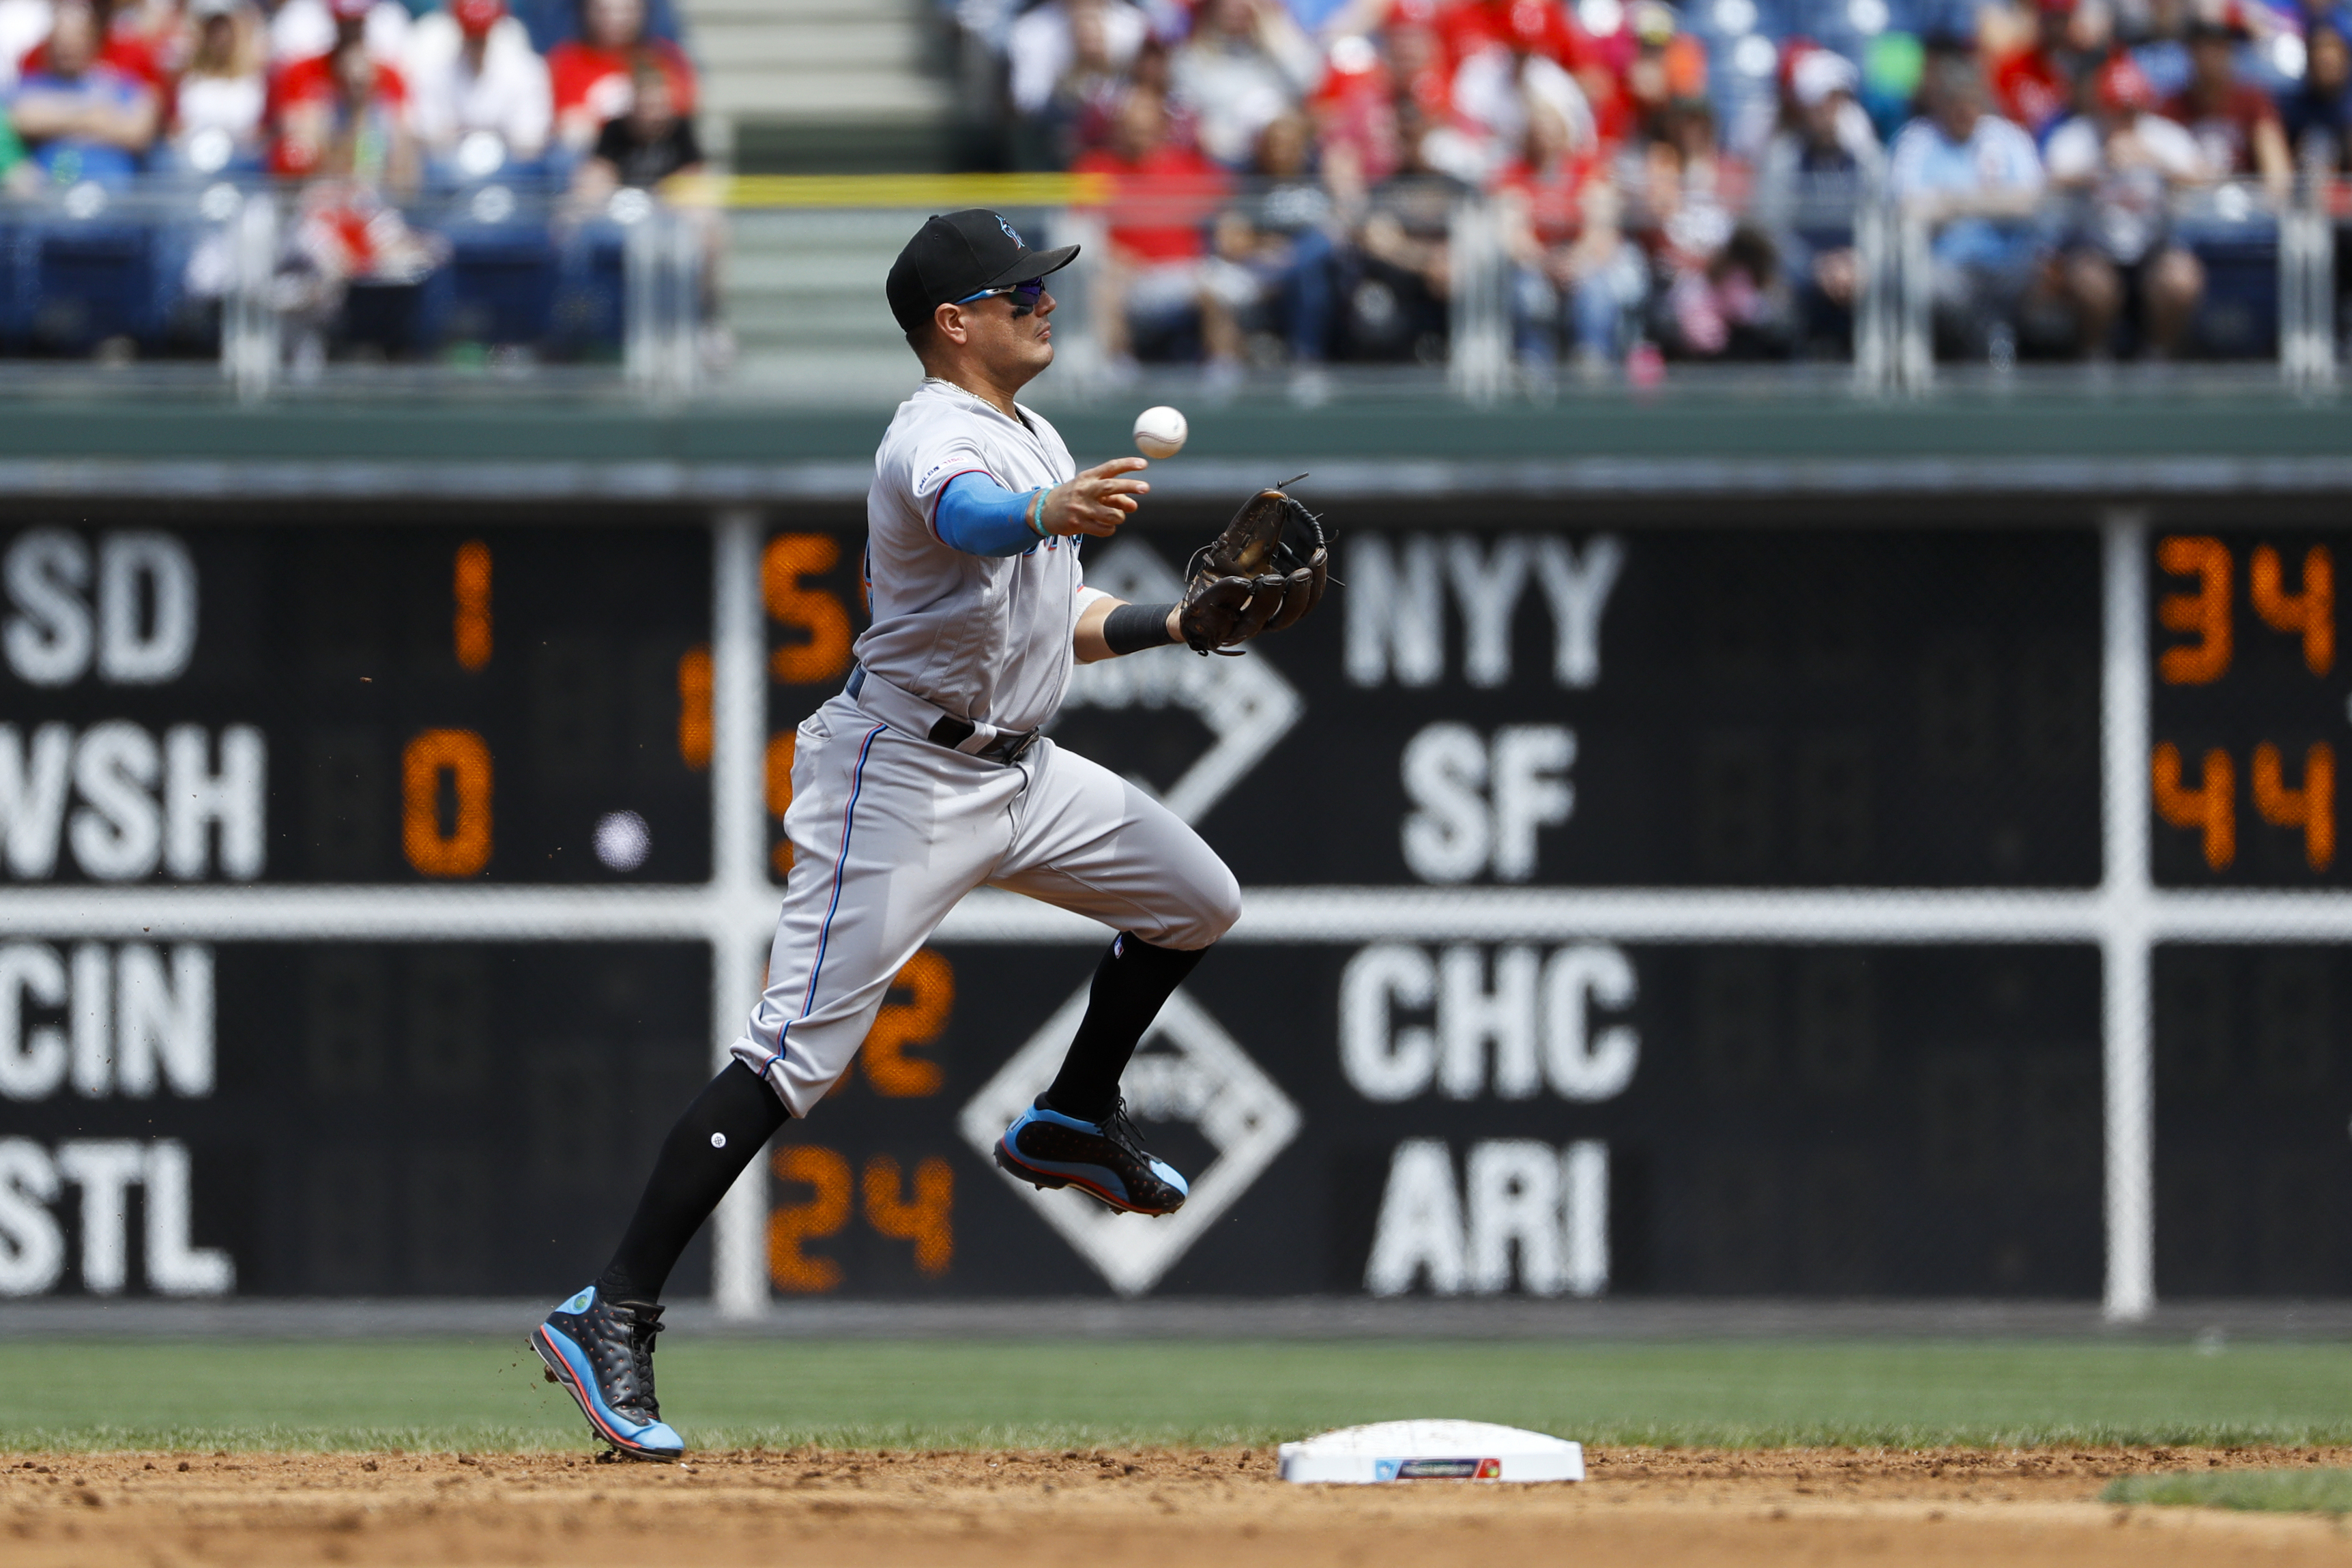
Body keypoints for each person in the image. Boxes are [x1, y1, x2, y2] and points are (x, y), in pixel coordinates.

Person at [530, 207, 1300, 1462]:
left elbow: (1059, 617)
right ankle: (606, 1307)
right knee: (794, 1059)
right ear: (956, 321)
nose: (1047, 305)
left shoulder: (1029, 430)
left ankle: (1072, 1112)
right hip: (897, 774)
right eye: (1022, 292)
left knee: (1195, 898)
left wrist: (1178, 621)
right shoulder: (933, 437)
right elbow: (976, 523)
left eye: (1046, 289)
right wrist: (1048, 505)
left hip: (1020, 767)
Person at [2044, 53, 2209, 357]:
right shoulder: (2078, 136)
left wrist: (2155, 162)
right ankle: (2094, 356)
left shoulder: (2163, 135)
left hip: (2153, 248)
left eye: (2131, 111)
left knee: (2182, 279)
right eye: (2116, 110)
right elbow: (2049, 179)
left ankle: (2158, 357)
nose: (2124, 119)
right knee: (2091, 284)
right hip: (2096, 250)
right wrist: (2096, 168)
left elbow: (2203, 177)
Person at [1071, 85, 1244, 373]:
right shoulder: (1095, 167)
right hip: (1127, 275)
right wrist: (1110, 256)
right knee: (1104, 289)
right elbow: (1077, 228)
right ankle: (1117, 370)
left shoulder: (1188, 166)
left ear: (1161, 128)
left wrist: (1233, 231)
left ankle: (1224, 371)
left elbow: (1232, 207)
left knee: (1218, 287)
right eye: (1130, 127)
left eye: (1145, 127)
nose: (1138, 134)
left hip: (1184, 271)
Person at [1888, 53, 2047, 360]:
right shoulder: (1916, 141)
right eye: (1955, 101)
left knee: (2043, 274)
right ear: (1940, 103)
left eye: (1971, 100)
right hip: (1946, 263)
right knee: (1937, 288)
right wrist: (1989, 202)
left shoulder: (2009, 137)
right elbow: (1907, 207)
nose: (1964, 109)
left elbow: (2030, 201)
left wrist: (1956, 202)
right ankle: (1967, 354)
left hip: (2008, 263)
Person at [8, 0, 158, 186]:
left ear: (93, 41)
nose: (68, 46)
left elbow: (138, 132)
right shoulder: (30, 85)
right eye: (61, 39)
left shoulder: (123, 85)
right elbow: (22, 119)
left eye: (76, 38)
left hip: (114, 197)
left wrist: (55, 119)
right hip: (48, 196)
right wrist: (95, 116)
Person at [404, 0, 553, 178]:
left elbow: (530, 142)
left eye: (482, 36)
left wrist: (463, 135)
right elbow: (429, 136)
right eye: (471, 36)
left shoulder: (526, 70)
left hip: (513, 174)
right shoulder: (436, 72)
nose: (477, 44)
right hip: (450, 178)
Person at [2162, 10, 2289, 199]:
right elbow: (2166, 168)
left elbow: (2275, 165)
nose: (2211, 56)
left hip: (2244, 203)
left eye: (2219, 47)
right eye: (2202, 47)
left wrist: (2272, 199)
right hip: (2191, 206)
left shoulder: (2252, 100)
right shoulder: (2172, 106)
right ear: (2191, 53)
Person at [547, 0, 691, 155]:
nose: (615, 18)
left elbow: (680, 110)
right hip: (588, 157)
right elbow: (556, 121)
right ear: (586, 11)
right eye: (604, 10)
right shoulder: (564, 61)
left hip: (648, 152)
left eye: (626, 9)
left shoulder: (663, 58)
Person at [166, 0, 265, 173]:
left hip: (241, 165)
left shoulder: (255, 77)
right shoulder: (188, 77)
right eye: (212, 30)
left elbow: (259, 133)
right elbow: (176, 127)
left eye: (224, 28)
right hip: (192, 161)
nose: (219, 36)